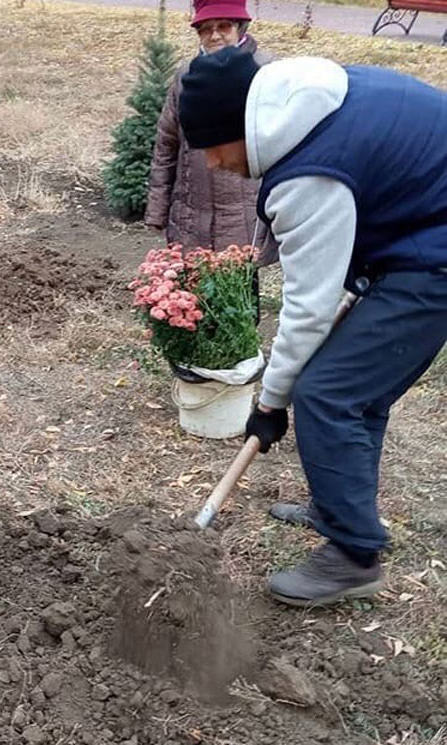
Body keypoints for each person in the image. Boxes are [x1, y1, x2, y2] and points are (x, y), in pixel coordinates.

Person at [178, 48, 447, 606]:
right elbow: (364, 217)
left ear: (240, 127)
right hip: (417, 231)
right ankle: (339, 506)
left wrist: (271, 404)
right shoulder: (306, 102)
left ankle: (353, 555)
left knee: (329, 392)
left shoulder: (308, 174)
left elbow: (307, 309)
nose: (211, 163)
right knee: (351, 387)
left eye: (211, 147)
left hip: (433, 254)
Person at [145, 0, 276, 267]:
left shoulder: (267, 72)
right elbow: (166, 145)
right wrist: (157, 211)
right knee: (191, 299)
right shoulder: (185, 76)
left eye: (223, 26)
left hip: (243, 217)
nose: (214, 35)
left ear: (240, 28)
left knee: (236, 298)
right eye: (205, 29)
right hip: (189, 217)